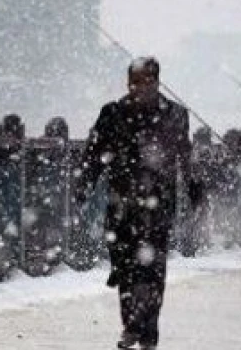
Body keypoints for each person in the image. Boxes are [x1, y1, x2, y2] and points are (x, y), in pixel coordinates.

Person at [72, 57, 203, 350]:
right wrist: (84, 183)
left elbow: (186, 154)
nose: (137, 88)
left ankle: (145, 331)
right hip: (122, 204)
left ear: (156, 82)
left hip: (158, 206)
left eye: (144, 82)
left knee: (152, 270)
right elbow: (94, 154)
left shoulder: (175, 115)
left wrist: (194, 186)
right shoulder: (113, 114)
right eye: (133, 82)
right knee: (125, 265)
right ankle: (131, 322)